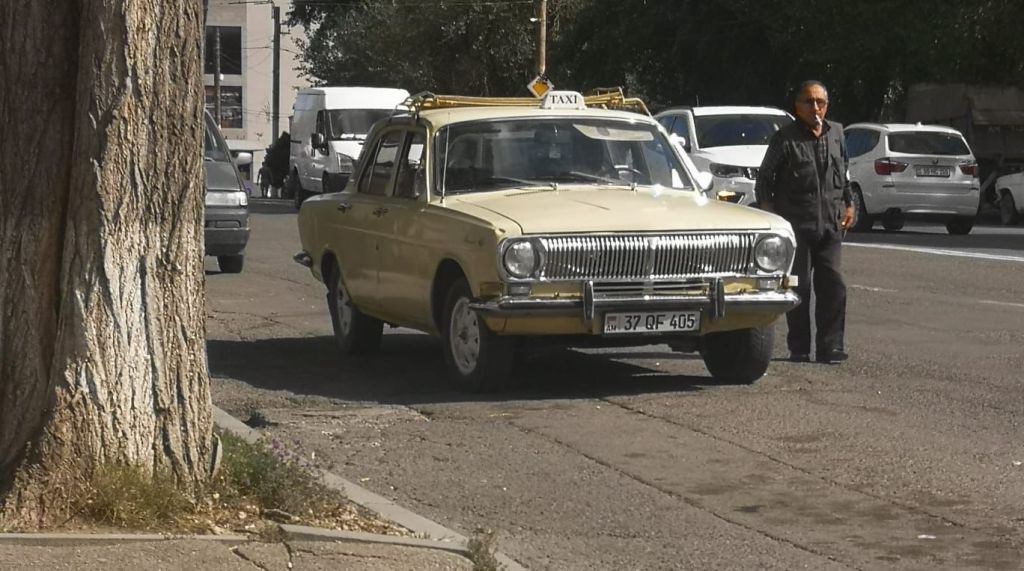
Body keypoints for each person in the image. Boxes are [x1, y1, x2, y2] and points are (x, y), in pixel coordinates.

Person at [754, 80, 854, 364]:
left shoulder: (837, 134)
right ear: (797, 106)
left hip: (830, 224)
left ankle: (830, 347)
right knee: (799, 288)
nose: (815, 108)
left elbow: (845, 172)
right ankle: (799, 347)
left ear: (827, 105)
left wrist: (849, 204)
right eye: (809, 102)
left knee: (834, 285)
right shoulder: (785, 139)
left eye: (820, 102)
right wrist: (772, 216)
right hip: (797, 225)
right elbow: (765, 181)